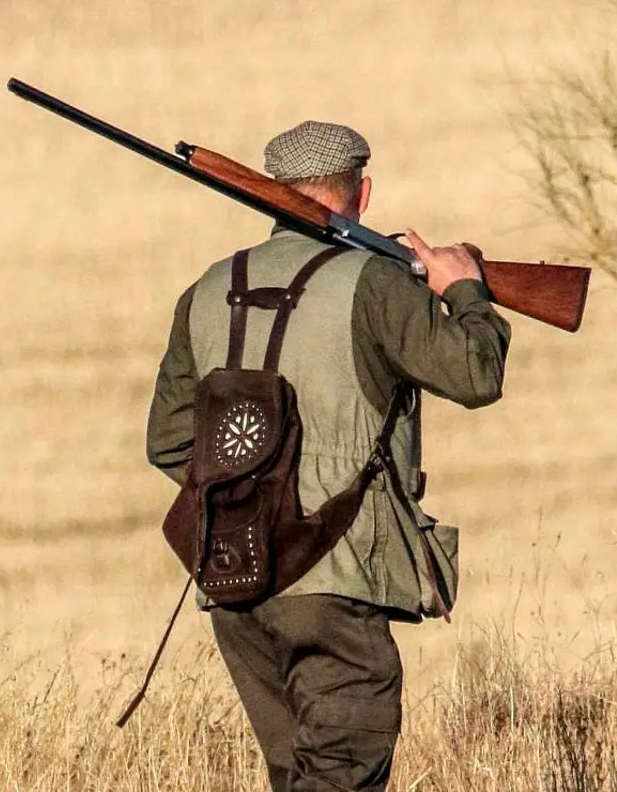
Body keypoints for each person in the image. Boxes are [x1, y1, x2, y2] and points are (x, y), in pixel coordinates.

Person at [144, 120, 511, 792]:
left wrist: (247, 495)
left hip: (236, 582)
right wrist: (464, 288)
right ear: (362, 194)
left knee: (299, 776)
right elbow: (476, 373)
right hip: (335, 578)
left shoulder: (207, 288)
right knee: (341, 772)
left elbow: (168, 441)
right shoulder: (375, 284)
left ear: (269, 191)